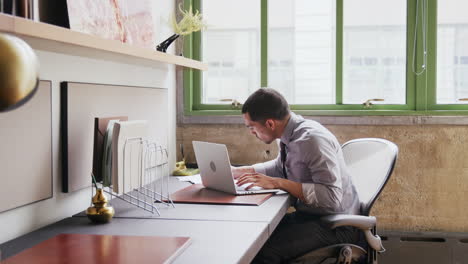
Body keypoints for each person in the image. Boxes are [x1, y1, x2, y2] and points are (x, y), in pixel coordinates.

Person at [232, 88, 361, 263]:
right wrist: (244, 170)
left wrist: (279, 183)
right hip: (312, 217)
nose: (251, 133)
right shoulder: (290, 135)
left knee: (260, 252)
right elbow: (280, 167)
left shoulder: (312, 140)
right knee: (251, 237)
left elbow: (331, 197)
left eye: (252, 127)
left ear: (270, 123)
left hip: (337, 225)